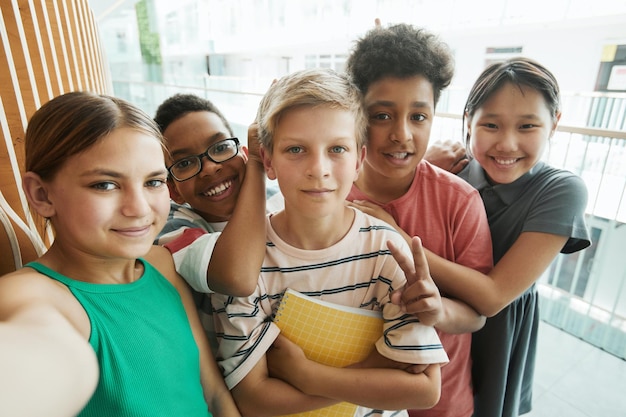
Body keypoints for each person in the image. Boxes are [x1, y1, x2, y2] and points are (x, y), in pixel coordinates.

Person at [205, 67, 450, 417]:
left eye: (336, 148)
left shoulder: (386, 250)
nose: (318, 168)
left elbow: (425, 388)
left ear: (358, 160)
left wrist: (307, 376)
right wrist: (374, 373)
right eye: (296, 150)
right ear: (269, 161)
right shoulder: (244, 262)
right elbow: (253, 400)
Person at [0, 92, 241, 417]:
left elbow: (212, 392)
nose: (139, 209)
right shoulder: (30, 295)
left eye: (153, 181)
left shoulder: (161, 263)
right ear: (42, 195)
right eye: (105, 185)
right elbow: (37, 355)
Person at [404, 57, 591, 417]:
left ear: (554, 123)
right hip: (437, 316)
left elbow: (492, 298)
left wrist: (403, 242)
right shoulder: (450, 170)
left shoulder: (562, 190)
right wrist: (421, 168)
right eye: (490, 124)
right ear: (469, 123)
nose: (507, 144)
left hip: (498, 329)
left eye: (527, 126)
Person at [345, 23, 493, 417]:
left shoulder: (459, 201)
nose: (401, 134)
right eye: (382, 115)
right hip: (351, 399)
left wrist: (438, 311)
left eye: (418, 116)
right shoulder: (330, 194)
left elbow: (477, 314)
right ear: (357, 113)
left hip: (441, 405)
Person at [153, 93, 267, 297]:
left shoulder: (279, 198)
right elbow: (237, 278)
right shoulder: (174, 229)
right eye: (185, 163)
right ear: (173, 191)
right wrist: (256, 166)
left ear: (244, 154)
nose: (210, 168)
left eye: (221, 147)